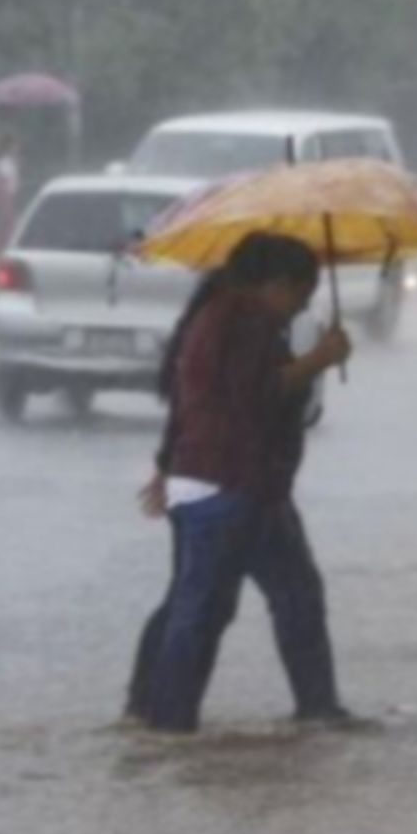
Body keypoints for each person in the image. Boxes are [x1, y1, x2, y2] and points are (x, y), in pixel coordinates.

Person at [139, 233, 354, 733]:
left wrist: (168, 463)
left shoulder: (221, 314)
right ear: (276, 284)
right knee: (206, 608)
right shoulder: (242, 320)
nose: (302, 306)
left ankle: (164, 722)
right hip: (231, 484)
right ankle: (169, 722)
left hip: (235, 483)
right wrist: (318, 360)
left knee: (264, 597)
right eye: (302, 293)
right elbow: (253, 396)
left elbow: (194, 402)